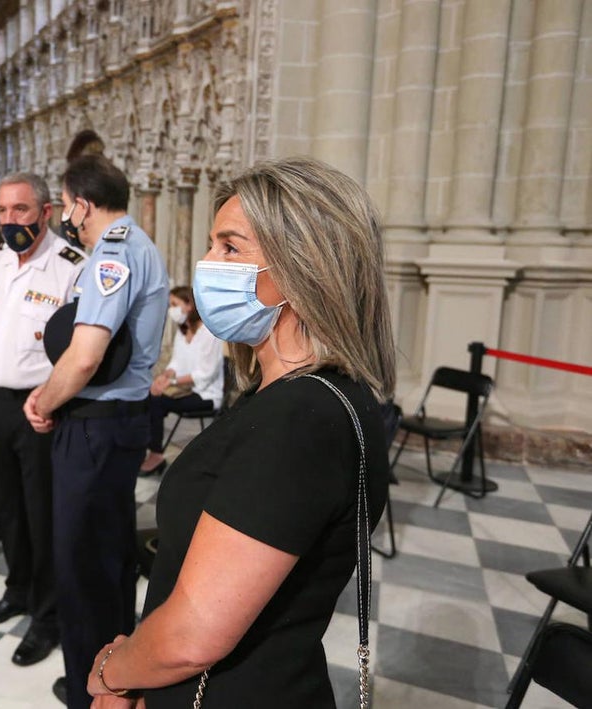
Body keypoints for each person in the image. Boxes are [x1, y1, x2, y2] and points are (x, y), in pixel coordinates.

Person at [83, 156, 394, 708]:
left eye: (229, 247)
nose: (206, 263)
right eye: (210, 244)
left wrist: (113, 670)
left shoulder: (300, 419)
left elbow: (193, 634)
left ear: (303, 270)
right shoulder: (317, 397)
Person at [22, 154, 168, 708]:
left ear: (81, 203)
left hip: (96, 426)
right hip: (113, 425)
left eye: (64, 204)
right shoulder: (133, 246)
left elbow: (85, 357)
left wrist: (43, 400)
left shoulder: (113, 253)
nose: (65, 215)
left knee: (84, 565)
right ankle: (111, 675)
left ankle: (92, 689)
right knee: (105, 559)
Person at [0, 172, 86, 667]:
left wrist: (51, 400)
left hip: (40, 408)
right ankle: (17, 590)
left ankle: (48, 615)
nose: (10, 220)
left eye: (21, 210)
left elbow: (80, 348)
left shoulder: (70, 267)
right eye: (3, 211)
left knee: (42, 515)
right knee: (7, 507)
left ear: (45, 213)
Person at [139, 285, 224, 476]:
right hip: (184, 389)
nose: (172, 310)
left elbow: (205, 374)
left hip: (205, 395)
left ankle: (155, 454)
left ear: (189, 305)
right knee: (149, 395)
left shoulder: (210, 333)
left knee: (157, 402)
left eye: (175, 304)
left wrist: (172, 383)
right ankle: (148, 449)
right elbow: (176, 362)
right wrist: (165, 376)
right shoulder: (182, 331)